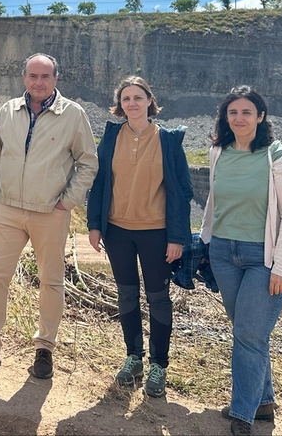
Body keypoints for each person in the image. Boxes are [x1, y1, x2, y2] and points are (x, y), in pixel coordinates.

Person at [0, 53, 97, 380]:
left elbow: (88, 162)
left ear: (55, 79)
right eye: (33, 76)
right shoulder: (8, 111)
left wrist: (67, 202)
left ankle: (45, 349)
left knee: (51, 281)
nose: (38, 82)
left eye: (45, 76)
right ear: (24, 78)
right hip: (8, 208)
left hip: (51, 212)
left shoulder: (73, 114)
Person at [201, 86, 282, 436]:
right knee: (250, 333)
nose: (239, 118)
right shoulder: (218, 152)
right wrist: (204, 244)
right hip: (223, 254)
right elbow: (213, 205)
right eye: (233, 113)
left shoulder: (277, 155)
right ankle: (264, 401)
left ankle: (242, 414)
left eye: (246, 112)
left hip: (264, 257)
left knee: (248, 334)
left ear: (260, 116)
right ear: (225, 118)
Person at [86, 76, 193, 398]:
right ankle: (134, 358)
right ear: (120, 105)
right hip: (118, 231)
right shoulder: (110, 136)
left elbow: (182, 191)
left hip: (156, 233)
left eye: (138, 97)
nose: (131, 103)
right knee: (127, 295)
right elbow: (100, 182)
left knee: (158, 298)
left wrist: (177, 237)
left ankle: (159, 365)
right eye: (126, 98)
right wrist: (95, 226)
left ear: (150, 101)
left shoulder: (168, 140)